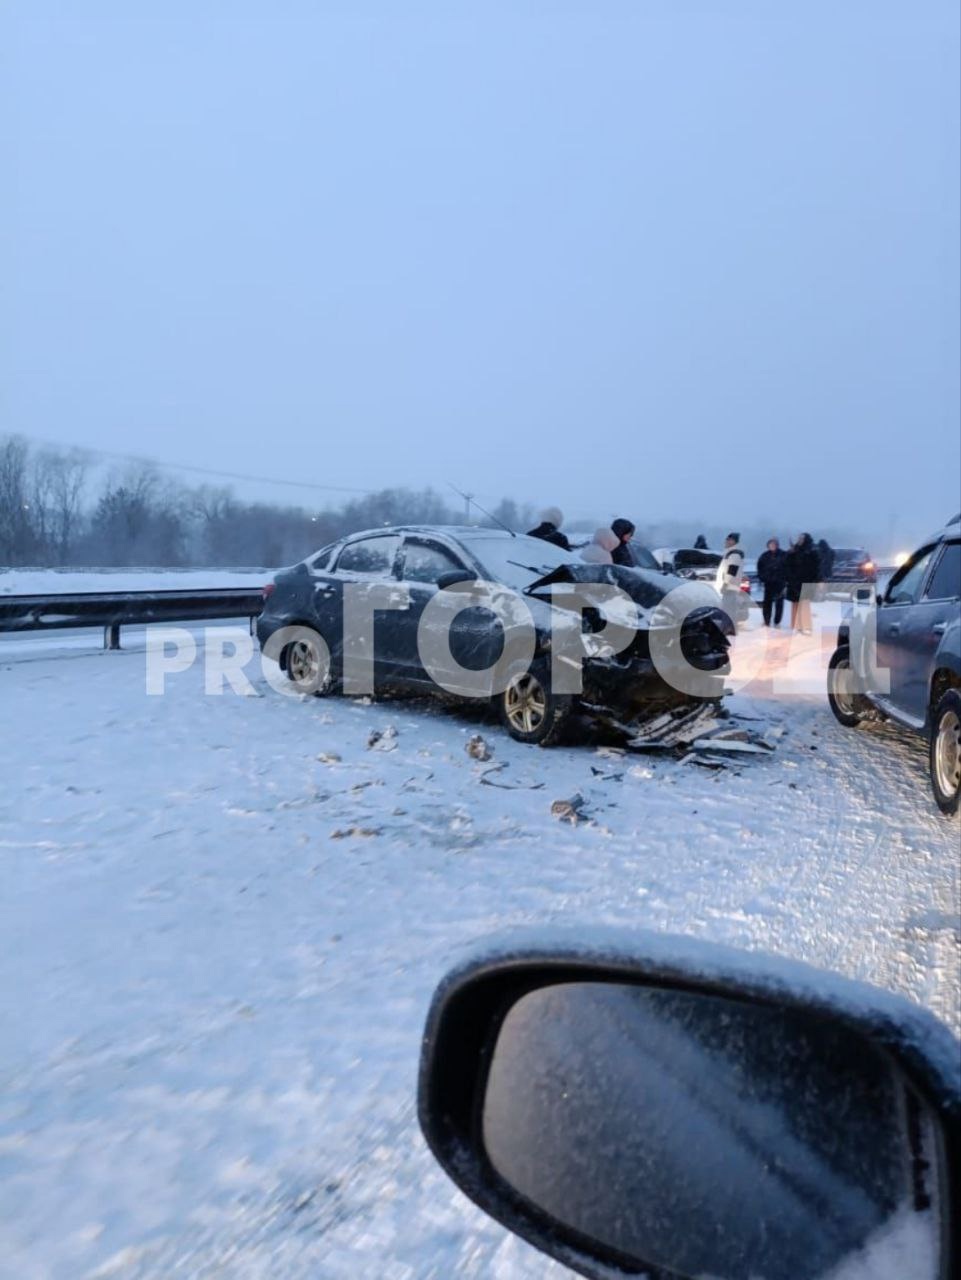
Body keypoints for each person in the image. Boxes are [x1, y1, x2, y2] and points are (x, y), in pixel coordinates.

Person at [785, 533, 819, 633]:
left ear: (806, 539)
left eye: (802, 538)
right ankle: (794, 626)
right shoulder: (794, 550)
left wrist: (815, 581)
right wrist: (789, 554)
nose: (799, 540)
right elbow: (787, 564)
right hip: (793, 581)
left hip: (806, 581)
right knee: (795, 603)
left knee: (804, 604)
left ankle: (805, 625)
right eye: (799, 538)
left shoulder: (811, 551)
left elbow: (815, 568)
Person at [714, 532, 745, 629]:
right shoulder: (730, 553)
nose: (726, 541)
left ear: (733, 541)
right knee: (729, 608)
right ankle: (728, 627)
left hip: (730, 586)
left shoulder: (734, 554)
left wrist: (726, 584)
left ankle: (727, 628)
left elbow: (732, 571)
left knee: (728, 609)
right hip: (730, 586)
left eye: (728, 540)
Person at [757, 538, 787, 627]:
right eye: (770, 544)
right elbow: (760, 568)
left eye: (774, 544)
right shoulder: (764, 556)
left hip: (779, 583)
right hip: (768, 583)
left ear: (777, 545)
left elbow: (788, 568)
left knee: (779, 603)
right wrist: (762, 577)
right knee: (767, 603)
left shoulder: (783, 555)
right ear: (768, 545)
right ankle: (766, 621)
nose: (772, 546)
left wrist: (784, 578)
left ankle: (777, 621)